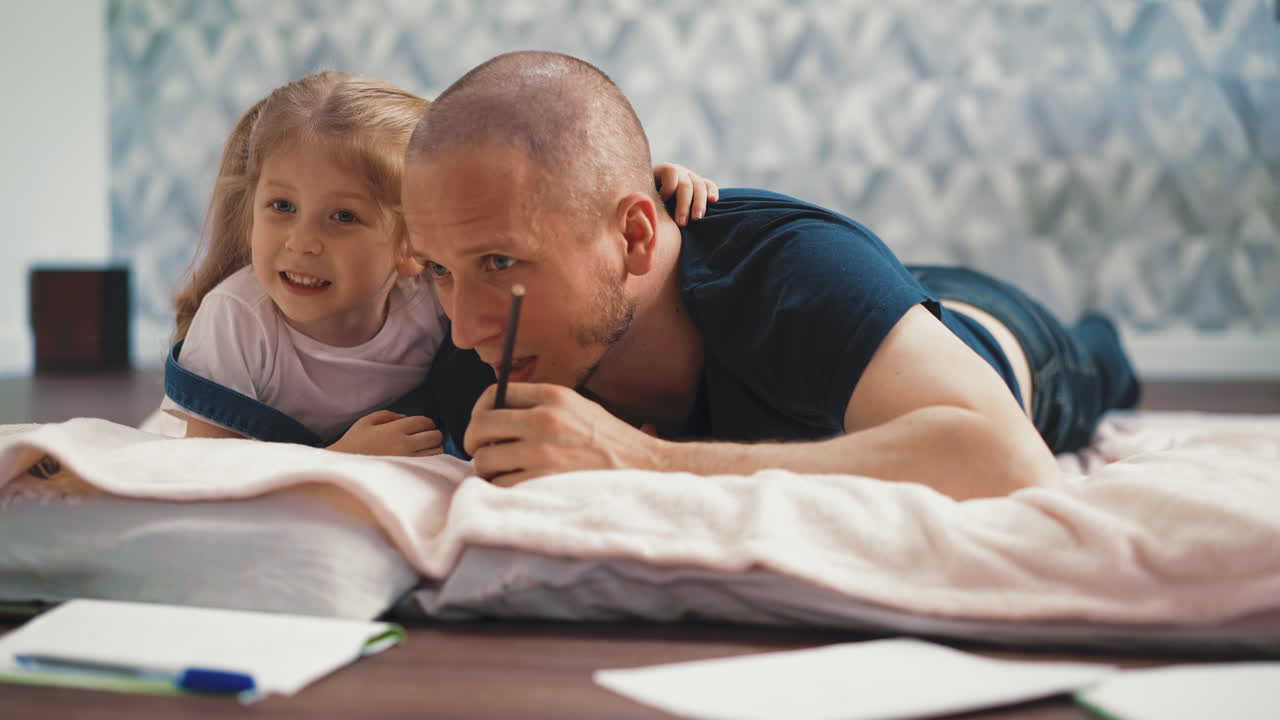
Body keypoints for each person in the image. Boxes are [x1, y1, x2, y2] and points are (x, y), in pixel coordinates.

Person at [402, 51, 1141, 499]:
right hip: (851, 308)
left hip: (997, 336)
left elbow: (1008, 463)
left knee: (1100, 363)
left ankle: (1102, 337)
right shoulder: (476, 334)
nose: (466, 328)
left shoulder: (792, 272)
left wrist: (648, 461)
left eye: (501, 263)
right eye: (438, 268)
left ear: (633, 235)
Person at [161, 70, 719, 457]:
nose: (302, 242)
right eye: (281, 207)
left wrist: (652, 189)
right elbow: (210, 471)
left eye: (343, 218)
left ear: (414, 247)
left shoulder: (431, 294)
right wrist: (338, 460)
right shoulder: (235, 318)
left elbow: (538, 205)